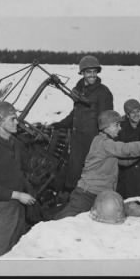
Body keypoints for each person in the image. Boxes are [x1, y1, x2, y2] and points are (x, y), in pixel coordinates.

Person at [53, 110, 140, 220]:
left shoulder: (106, 144)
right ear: (107, 127)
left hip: (98, 195)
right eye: (117, 125)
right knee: (63, 222)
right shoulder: (104, 143)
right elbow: (126, 149)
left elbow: (125, 160)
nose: (120, 128)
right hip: (87, 195)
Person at [0, 102, 36, 256]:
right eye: (12, 119)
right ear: (0, 122)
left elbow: (22, 168)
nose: (17, 122)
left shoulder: (15, 143)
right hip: (1, 208)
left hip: (19, 206)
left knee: (19, 249)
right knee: (6, 253)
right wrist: (18, 195)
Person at [51, 55, 113, 192]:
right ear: (82, 73)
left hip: (93, 140)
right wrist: (60, 124)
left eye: (94, 72)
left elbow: (106, 120)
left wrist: (101, 141)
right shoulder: (79, 90)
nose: (92, 75)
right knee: (74, 169)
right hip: (78, 138)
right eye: (88, 72)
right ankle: (70, 197)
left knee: (90, 172)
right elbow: (76, 114)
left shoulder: (103, 93)